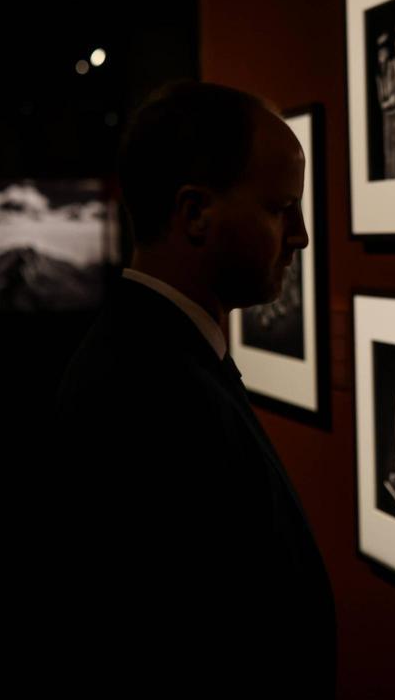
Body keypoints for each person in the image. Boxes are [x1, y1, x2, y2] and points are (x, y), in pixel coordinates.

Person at [52, 81, 335, 692]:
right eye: (279, 207)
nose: (301, 234)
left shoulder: (147, 358)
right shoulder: (151, 396)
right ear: (195, 213)